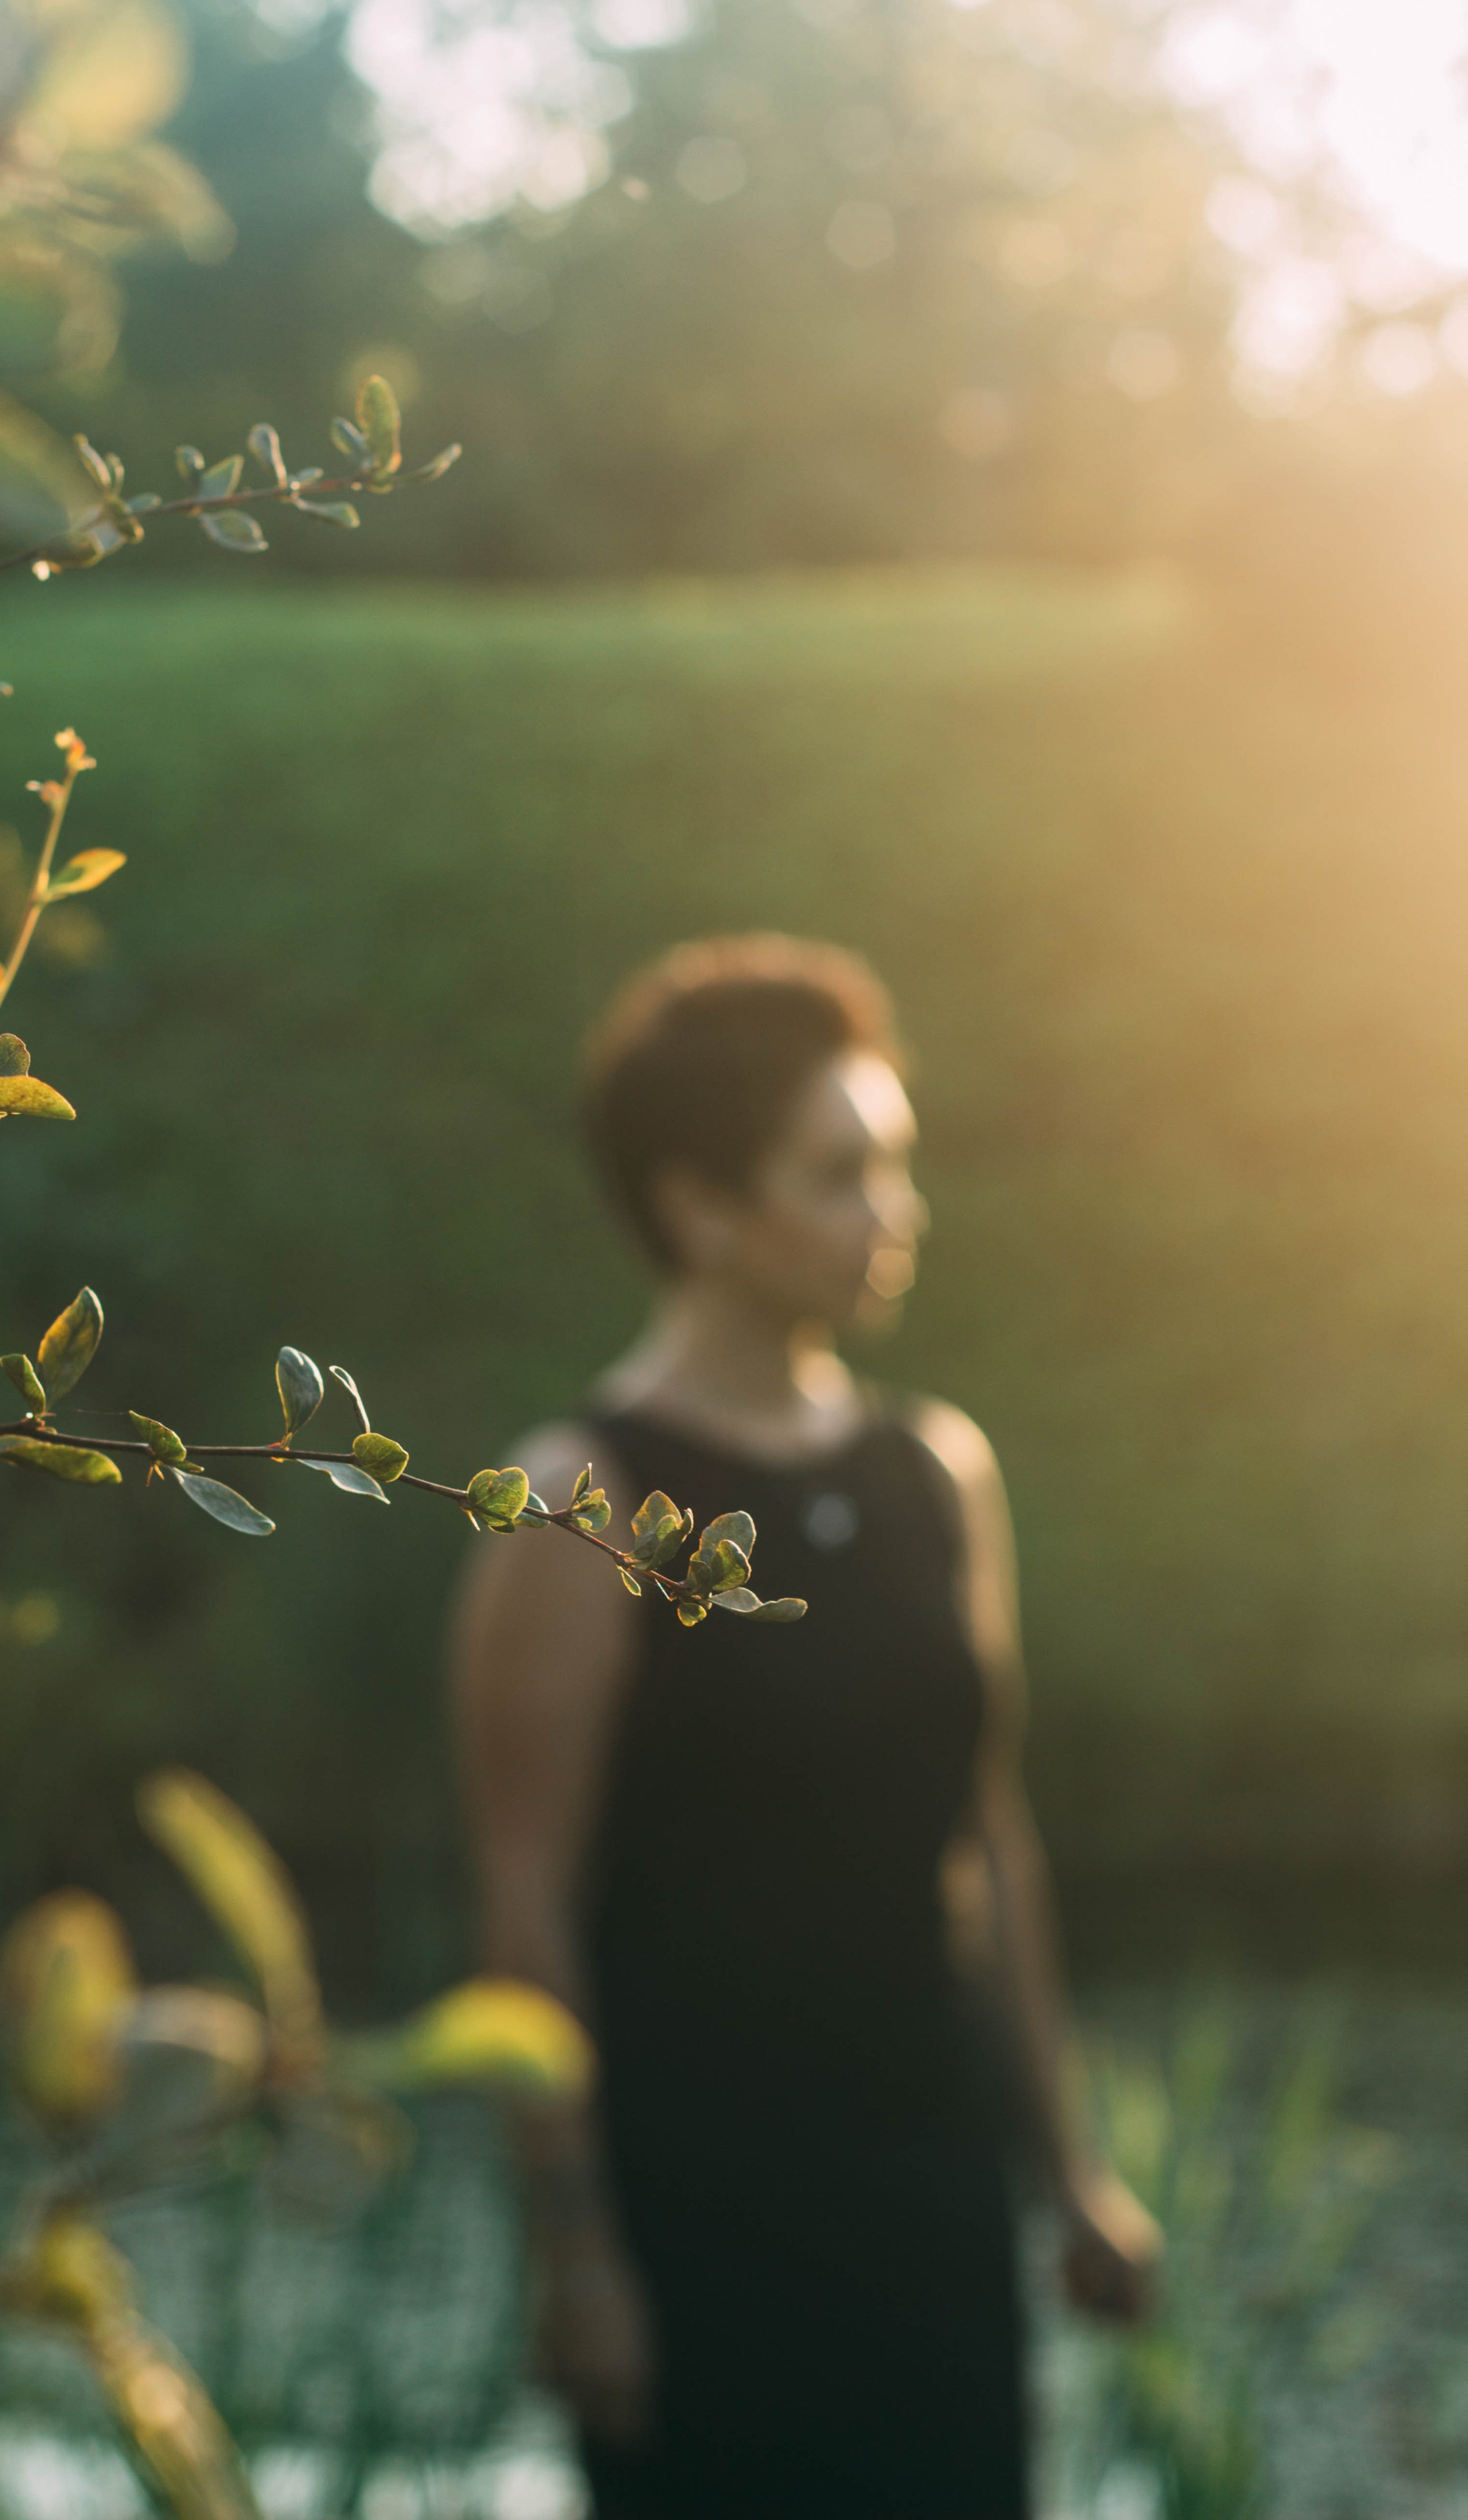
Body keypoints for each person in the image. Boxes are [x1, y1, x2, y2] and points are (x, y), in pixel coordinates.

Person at [451, 934, 1158, 2519]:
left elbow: (986, 1835)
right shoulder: (580, 1501)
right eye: (840, 1173)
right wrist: (576, 2264)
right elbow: (523, 1907)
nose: (892, 1211)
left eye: (896, 1163)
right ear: (700, 1204)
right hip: (700, 2213)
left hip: (925, 2192)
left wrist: (1069, 2177)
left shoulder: (936, 1473)